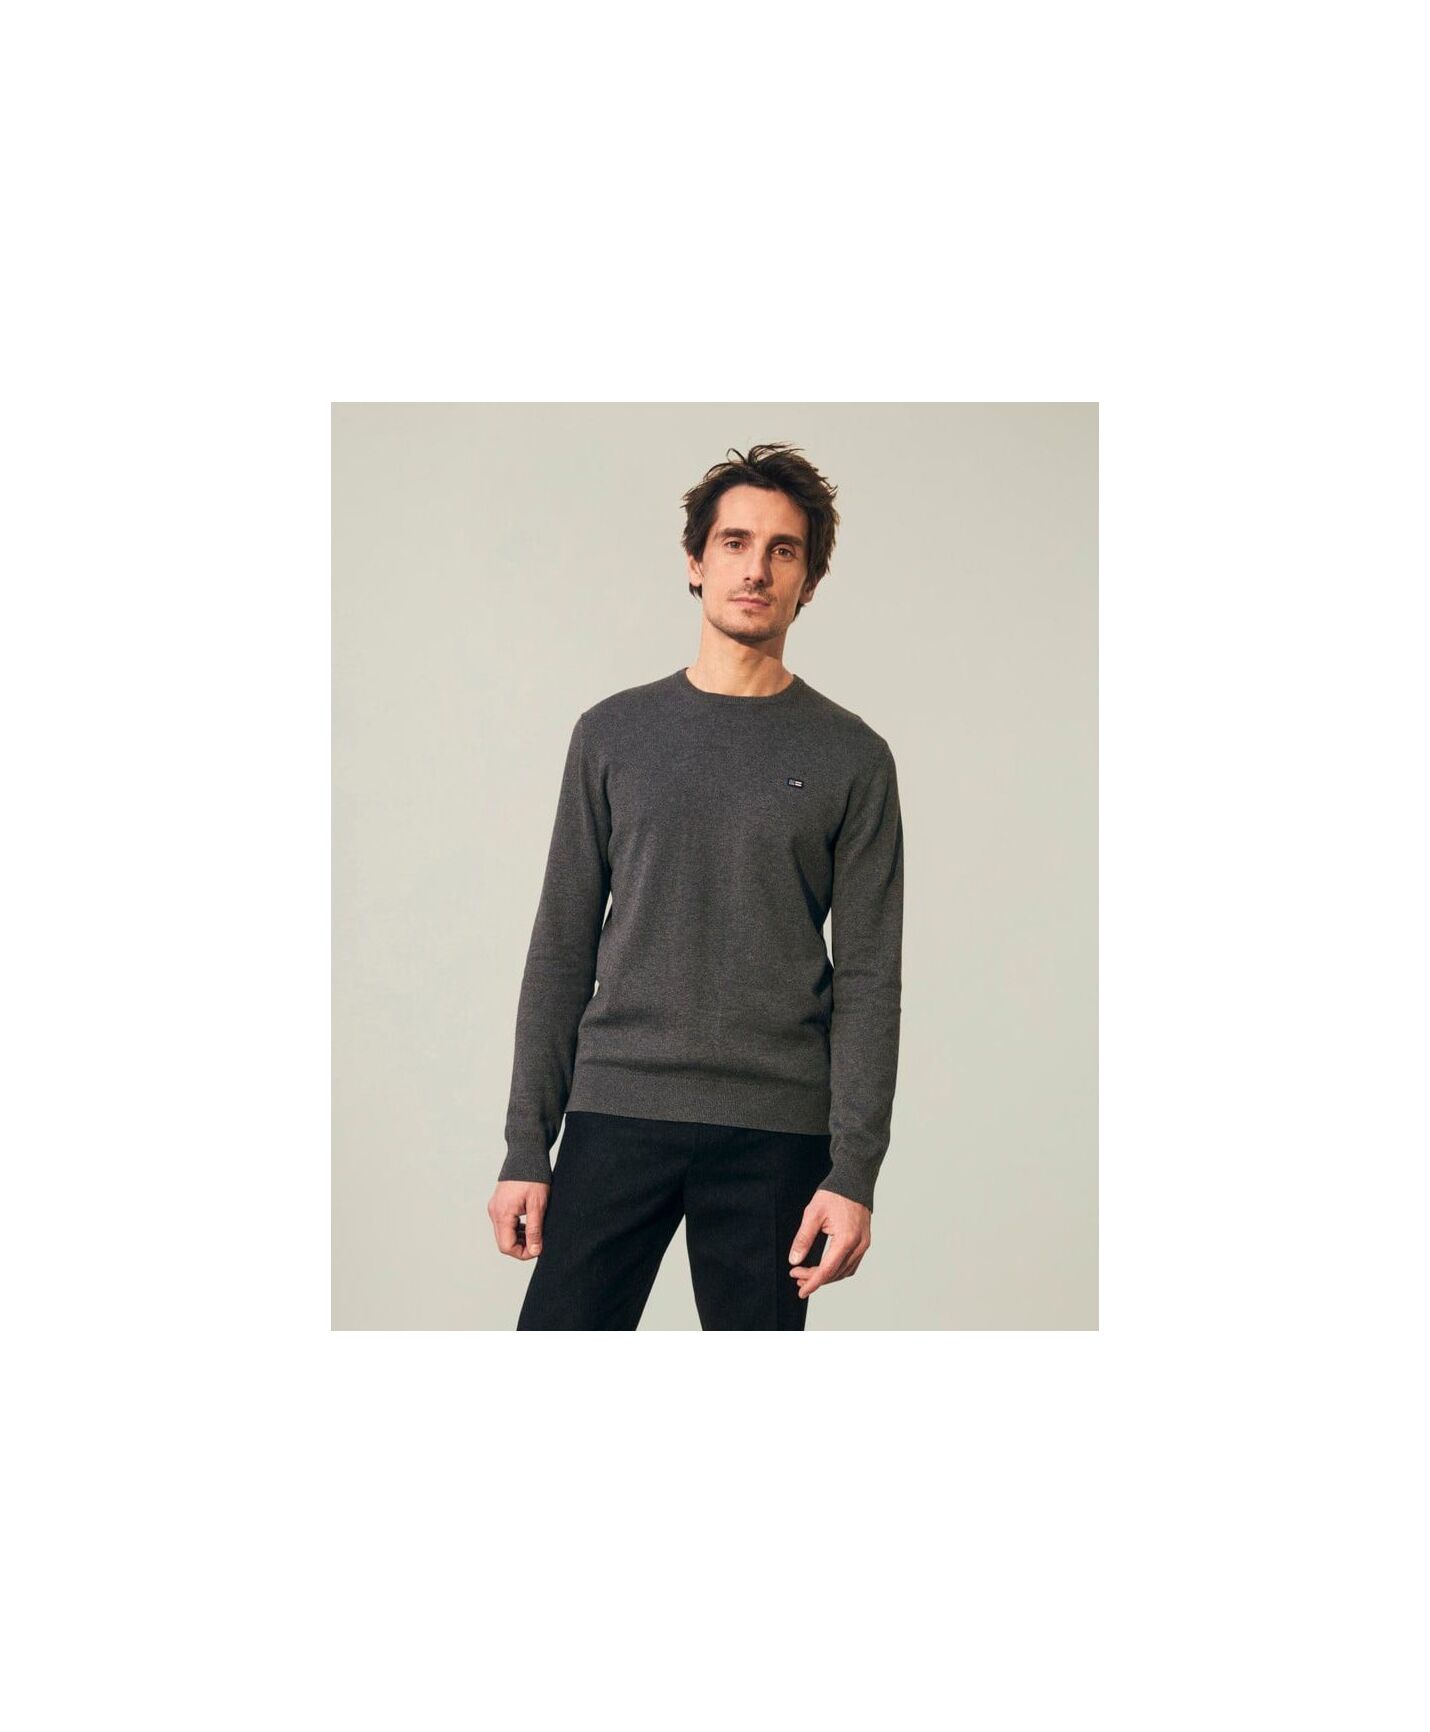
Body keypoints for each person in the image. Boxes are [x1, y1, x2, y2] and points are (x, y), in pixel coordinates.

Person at [488, 442, 904, 1329]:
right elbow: (561, 945)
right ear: (695, 561)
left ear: (809, 582)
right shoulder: (612, 734)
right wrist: (527, 1144)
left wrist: (853, 1172)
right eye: (734, 543)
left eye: (783, 551)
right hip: (616, 1107)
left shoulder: (853, 757)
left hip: (776, 1131)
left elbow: (870, 979)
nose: (756, 569)